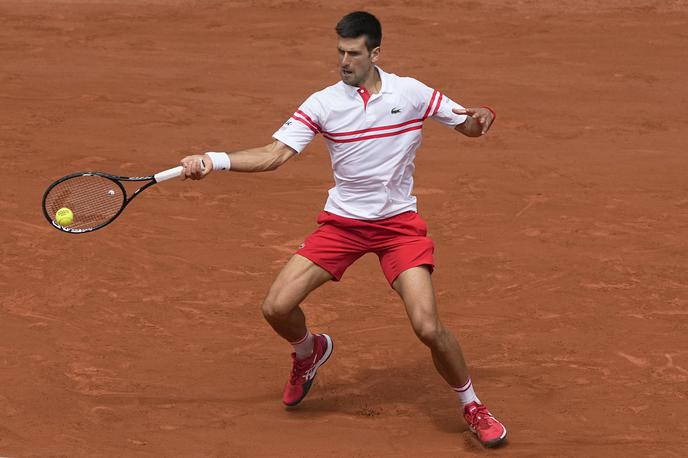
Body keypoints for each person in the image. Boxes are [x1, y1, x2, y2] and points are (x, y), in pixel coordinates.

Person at [180, 11, 507, 448]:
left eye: (353, 53)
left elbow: (467, 125)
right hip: (343, 225)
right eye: (340, 53)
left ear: (375, 53)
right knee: (276, 308)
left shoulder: (409, 93)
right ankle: (308, 351)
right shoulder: (323, 102)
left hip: (398, 228)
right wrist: (213, 159)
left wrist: (480, 116)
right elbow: (275, 154)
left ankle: (472, 405)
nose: (344, 61)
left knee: (428, 327)